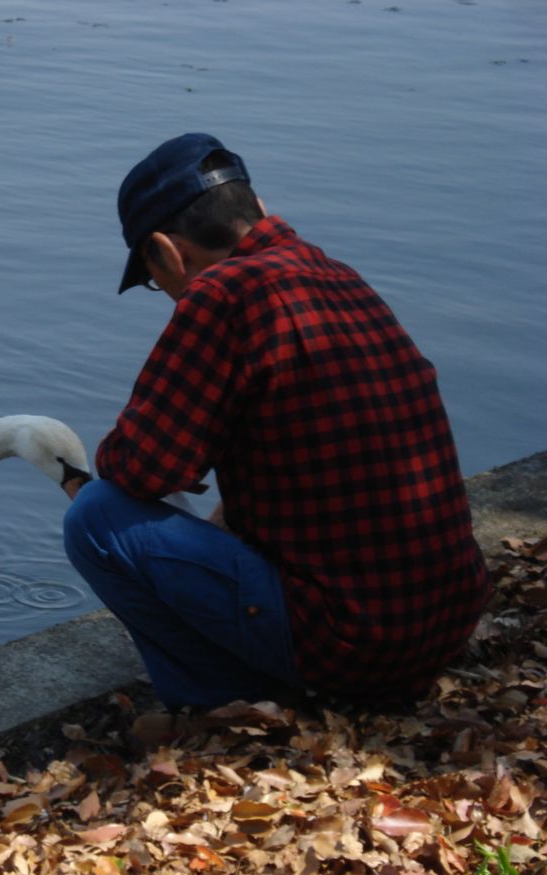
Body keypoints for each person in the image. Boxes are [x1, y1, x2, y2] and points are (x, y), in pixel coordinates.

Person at [61, 133, 490, 710]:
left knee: (95, 516)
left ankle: (219, 698)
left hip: (353, 645)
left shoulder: (223, 293)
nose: (163, 293)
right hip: (442, 624)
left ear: (166, 252)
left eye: (151, 278)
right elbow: (311, 445)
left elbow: (136, 467)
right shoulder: (337, 275)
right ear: (258, 210)